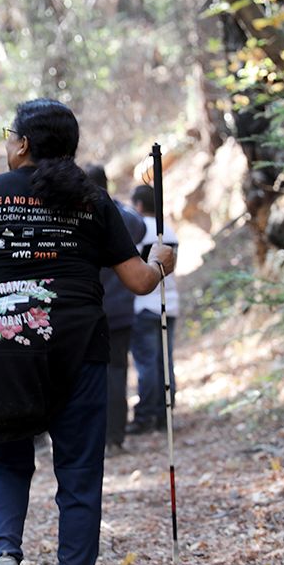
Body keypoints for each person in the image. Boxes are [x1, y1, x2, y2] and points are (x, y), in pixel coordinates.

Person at [0, 99, 175, 565]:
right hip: (78, 348)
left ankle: (4, 556)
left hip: (3, 345)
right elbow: (139, 281)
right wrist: (163, 259)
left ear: (21, 144)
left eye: (9, 134)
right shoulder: (93, 200)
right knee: (79, 475)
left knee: (7, 458)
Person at [83, 164, 146, 455]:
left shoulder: (82, 215)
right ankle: (115, 436)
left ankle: (97, 435)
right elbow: (141, 226)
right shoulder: (124, 216)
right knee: (117, 371)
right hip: (121, 307)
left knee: (91, 374)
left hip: (92, 309)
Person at [126, 184, 179, 435]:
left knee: (146, 363)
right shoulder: (167, 229)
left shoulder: (137, 230)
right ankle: (165, 411)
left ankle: (145, 414)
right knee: (165, 360)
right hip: (170, 300)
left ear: (138, 205)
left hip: (144, 303)